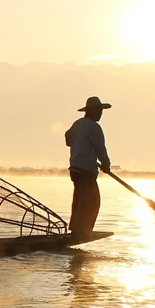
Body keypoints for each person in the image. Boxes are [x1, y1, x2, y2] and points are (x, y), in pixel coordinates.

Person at [64, 95, 111, 239]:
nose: (101, 114)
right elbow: (100, 149)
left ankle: (76, 229)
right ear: (92, 111)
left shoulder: (77, 124)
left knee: (79, 199)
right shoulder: (94, 127)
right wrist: (106, 164)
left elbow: (68, 139)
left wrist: (80, 145)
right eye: (99, 111)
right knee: (92, 201)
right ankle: (82, 231)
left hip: (75, 168)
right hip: (85, 171)